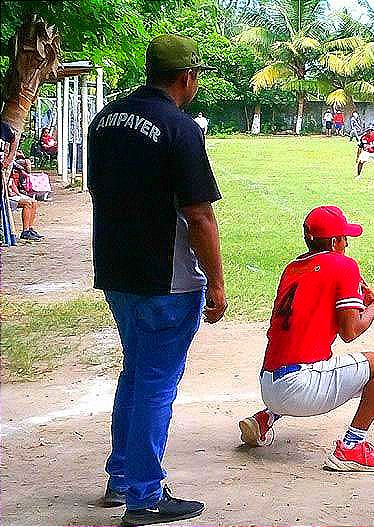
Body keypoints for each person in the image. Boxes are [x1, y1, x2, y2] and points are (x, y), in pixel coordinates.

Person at [87, 35, 226, 526]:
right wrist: (218, 284)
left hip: (116, 271)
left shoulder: (103, 120)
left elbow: (96, 191)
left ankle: (122, 476)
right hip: (167, 279)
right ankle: (144, 495)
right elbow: (200, 216)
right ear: (187, 77)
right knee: (155, 384)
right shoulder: (181, 128)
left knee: (137, 371)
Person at [238, 206, 374, 472]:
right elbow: (350, 332)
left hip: (269, 383)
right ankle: (351, 447)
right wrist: (373, 305)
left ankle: (265, 418)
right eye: (344, 238)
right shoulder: (344, 265)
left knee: (326, 360)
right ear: (335, 242)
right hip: (300, 387)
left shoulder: (292, 268)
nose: (347, 243)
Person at [6, 172, 42, 241]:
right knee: (27, 203)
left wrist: (18, 194)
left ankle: (29, 228)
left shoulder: (10, 168)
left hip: (12, 195)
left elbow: (12, 183)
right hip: (6, 197)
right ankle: (25, 231)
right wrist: (9, 193)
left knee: (34, 202)